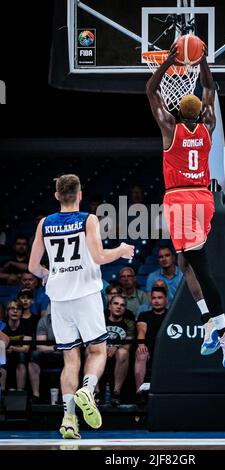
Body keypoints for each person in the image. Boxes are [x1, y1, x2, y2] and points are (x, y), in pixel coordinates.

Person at [146, 42, 225, 368]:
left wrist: (169, 63)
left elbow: (151, 90)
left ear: (178, 111)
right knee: (186, 265)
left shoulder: (169, 130)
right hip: (202, 197)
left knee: (199, 267)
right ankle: (207, 326)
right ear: (200, 110)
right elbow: (209, 88)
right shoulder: (208, 127)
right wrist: (201, 62)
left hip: (181, 200)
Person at [29, 174, 134, 439]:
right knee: (98, 351)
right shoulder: (88, 219)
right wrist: (121, 250)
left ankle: (68, 418)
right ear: (79, 195)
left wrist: (47, 276)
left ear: (56, 196)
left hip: (59, 299)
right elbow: (98, 256)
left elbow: (32, 268)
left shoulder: (44, 223)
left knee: (70, 358)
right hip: (86, 294)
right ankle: (87, 390)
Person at [135, 286, 168, 401]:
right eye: (154, 298)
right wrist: (141, 344)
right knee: (141, 354)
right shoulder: (144, 315)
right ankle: (140, 393)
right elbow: (141, 330)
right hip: (148, 347)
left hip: (165, 349)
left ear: (166, 300)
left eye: (160, 298)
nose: (156, 301)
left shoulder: (171, 315)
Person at [105, 295, 135, 405]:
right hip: (100, 353)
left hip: (119, 356)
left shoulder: (129, 324)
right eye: (116, 304)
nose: (119, 307)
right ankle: (95, 392)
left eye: (122, 305)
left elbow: (127, 345)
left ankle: (116, 392)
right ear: (109, 306)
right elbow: (93, 341)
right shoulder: (101, 321)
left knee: (123, 352)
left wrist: (116, 347)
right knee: (91, 349)